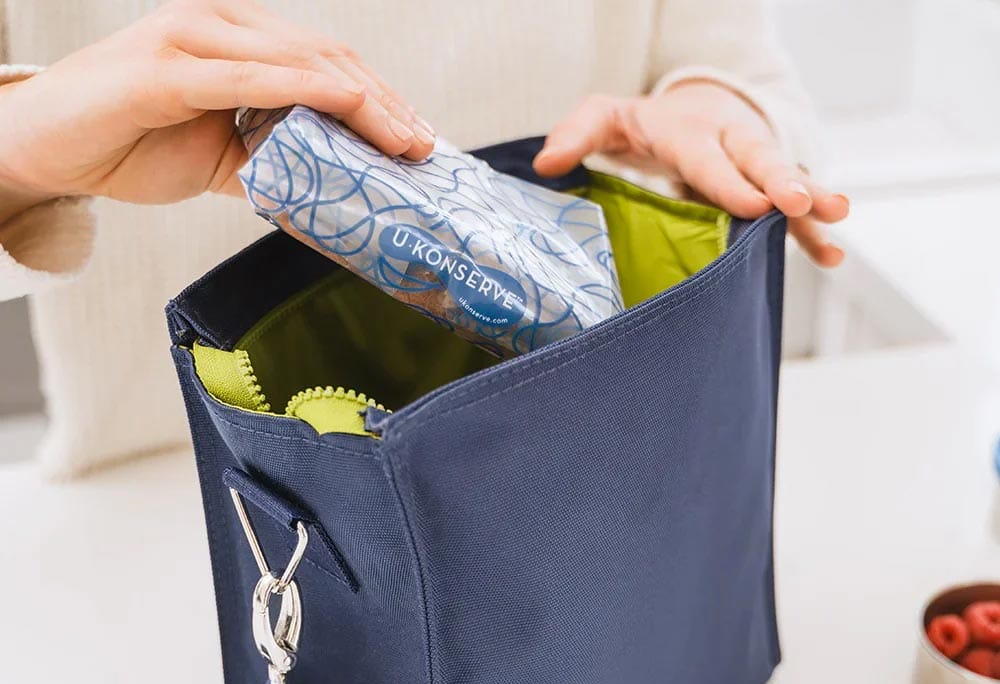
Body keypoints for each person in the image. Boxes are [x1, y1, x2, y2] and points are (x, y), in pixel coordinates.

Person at [0, 0, 847, 476]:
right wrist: (19, 153)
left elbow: (747, 73)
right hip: (172, 488)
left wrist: (721, 111)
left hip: (607, 457)